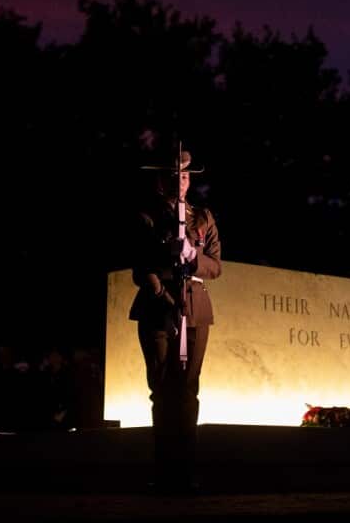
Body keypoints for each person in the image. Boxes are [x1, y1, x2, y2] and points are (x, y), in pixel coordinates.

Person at [129, 149, 221, 494]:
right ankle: (164, 471)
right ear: (160, 181)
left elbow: (215, 266)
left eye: (185, 176)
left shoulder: (204, 217)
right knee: (163, 390)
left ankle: (186, 471)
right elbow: (141, 267)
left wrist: (193, 256)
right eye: (173, 176)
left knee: (188, 391)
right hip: (160, 305)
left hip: (196, 306)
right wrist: (164, 297)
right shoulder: (146, 216)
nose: (180, 181)